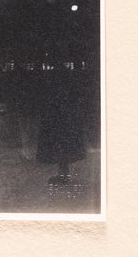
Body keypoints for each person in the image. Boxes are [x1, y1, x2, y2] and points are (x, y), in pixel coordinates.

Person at [36, 58, 87, 192]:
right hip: (66, 115)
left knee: (59, 143)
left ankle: (63, 174)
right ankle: (64, 173)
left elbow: (48, 96)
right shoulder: (68, 75)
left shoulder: (53, 77)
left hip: (57, 115)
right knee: (64, 144)